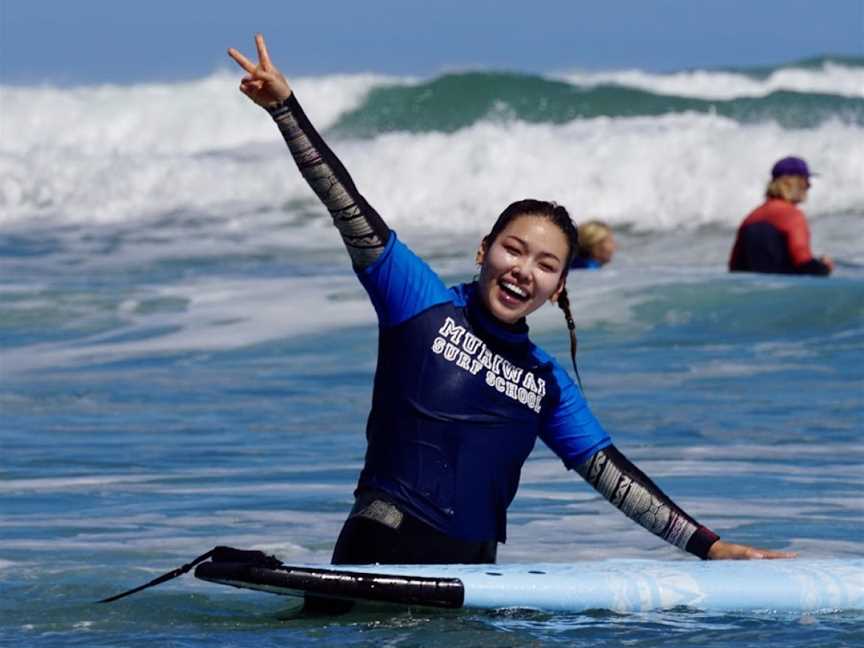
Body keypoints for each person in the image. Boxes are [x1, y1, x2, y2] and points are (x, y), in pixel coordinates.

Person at [228, 35, 794, 570]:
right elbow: (347, 207)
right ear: (483, 250)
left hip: (475, 573)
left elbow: (612, 477)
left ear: (559, 288)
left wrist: (711, 548)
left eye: (546, 265)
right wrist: (286, 110)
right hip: (381, 546)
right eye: (513, 250)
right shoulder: (419, 303)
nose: (525, 270)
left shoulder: (546, 382)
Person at [728, 156, 833, 276]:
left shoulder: (750, 217)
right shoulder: (793, 215)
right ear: (793, 183)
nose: (809, 186)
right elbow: (803, 262)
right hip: (785, 289)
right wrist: (824, 267)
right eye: (806, 181)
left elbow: (734, 267)